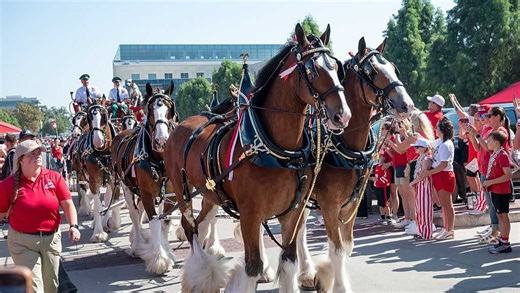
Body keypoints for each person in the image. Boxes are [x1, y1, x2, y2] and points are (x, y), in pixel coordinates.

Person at [0, 140, 81, 292]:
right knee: (35, 288)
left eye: (38, 153)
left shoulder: (54, 177)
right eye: (32, 154)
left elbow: (68, 204)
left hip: (51, 240)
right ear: (21, 160)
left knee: (51, 286)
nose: (37, 156)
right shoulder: (8, 184)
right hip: (22, 243)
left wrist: (74, 226)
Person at [466, 105, 510, 244]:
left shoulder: (500, 131)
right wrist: (472, 135)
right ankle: (495, 229)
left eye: (488, 116)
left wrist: (476, 134)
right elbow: (479, 148)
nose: (485, 119)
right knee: (492, 206)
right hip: (485, 169)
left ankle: (498, 233)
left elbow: (487, 147)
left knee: (497, 208)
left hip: (493, 173)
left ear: (497, 117)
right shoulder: (487, 130)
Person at [423, 117, 456, 240]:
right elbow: (428, 144)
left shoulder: (446, 145)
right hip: (438, 173)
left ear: (442, 129)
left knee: (447, 204)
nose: (435, 129)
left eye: (437, 127)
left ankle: (450, 230)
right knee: (443, 204)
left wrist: (429, 172)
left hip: (444, 174)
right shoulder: (440, 142)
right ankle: (446, 228)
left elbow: (443, 164)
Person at [482, 131, 512, 253]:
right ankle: (503, 239)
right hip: (495, 190)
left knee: (503, 215)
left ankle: (505, 243)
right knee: (500, 215)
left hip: (501, 191)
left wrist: (490, 182)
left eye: (489, 141)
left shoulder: (502, 156)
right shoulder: (495, 154)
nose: (487, 143)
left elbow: (507, 175)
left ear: (496, 142)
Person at [410, 138, 434, 239]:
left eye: (417, 147)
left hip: (425, 186)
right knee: (419, 209)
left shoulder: (426, 159)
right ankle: (421, 230)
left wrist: (412, 183)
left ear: (424, 148)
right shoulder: (420, 158)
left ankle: (427, 233)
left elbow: (423, 175)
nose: (415, 149)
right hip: (419, 186)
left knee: (425, 209)